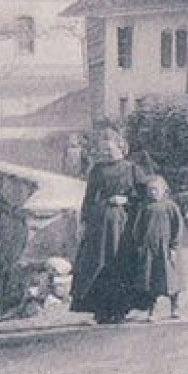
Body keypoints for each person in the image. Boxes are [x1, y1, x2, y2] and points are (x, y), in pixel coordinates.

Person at [70, 129, 142, 325]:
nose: (107, 153)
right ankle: (100, 310)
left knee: (120, 264)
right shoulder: (97, 170)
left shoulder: (132, 169)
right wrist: (83, 222)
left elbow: (146, 195)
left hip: (123, 226)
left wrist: (126, 200)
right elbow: (88, 198)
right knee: (97, 263)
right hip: (99, 226)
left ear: (121, 147)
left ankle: (120, 310)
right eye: (103, 150)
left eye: (110, 149)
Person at [129, 174, 186, 321]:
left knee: (172, 280)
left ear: (164, 191)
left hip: (166, 249)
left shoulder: (171, 207)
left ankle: (175, 308)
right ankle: (152, 311)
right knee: (151, 281)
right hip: (151, 250)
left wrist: (174, 246)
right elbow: (137, 228)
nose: (152, 193)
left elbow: (178, 228)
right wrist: (139, 245)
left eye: (155, 190)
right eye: (150, 190)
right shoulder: (145, 208)